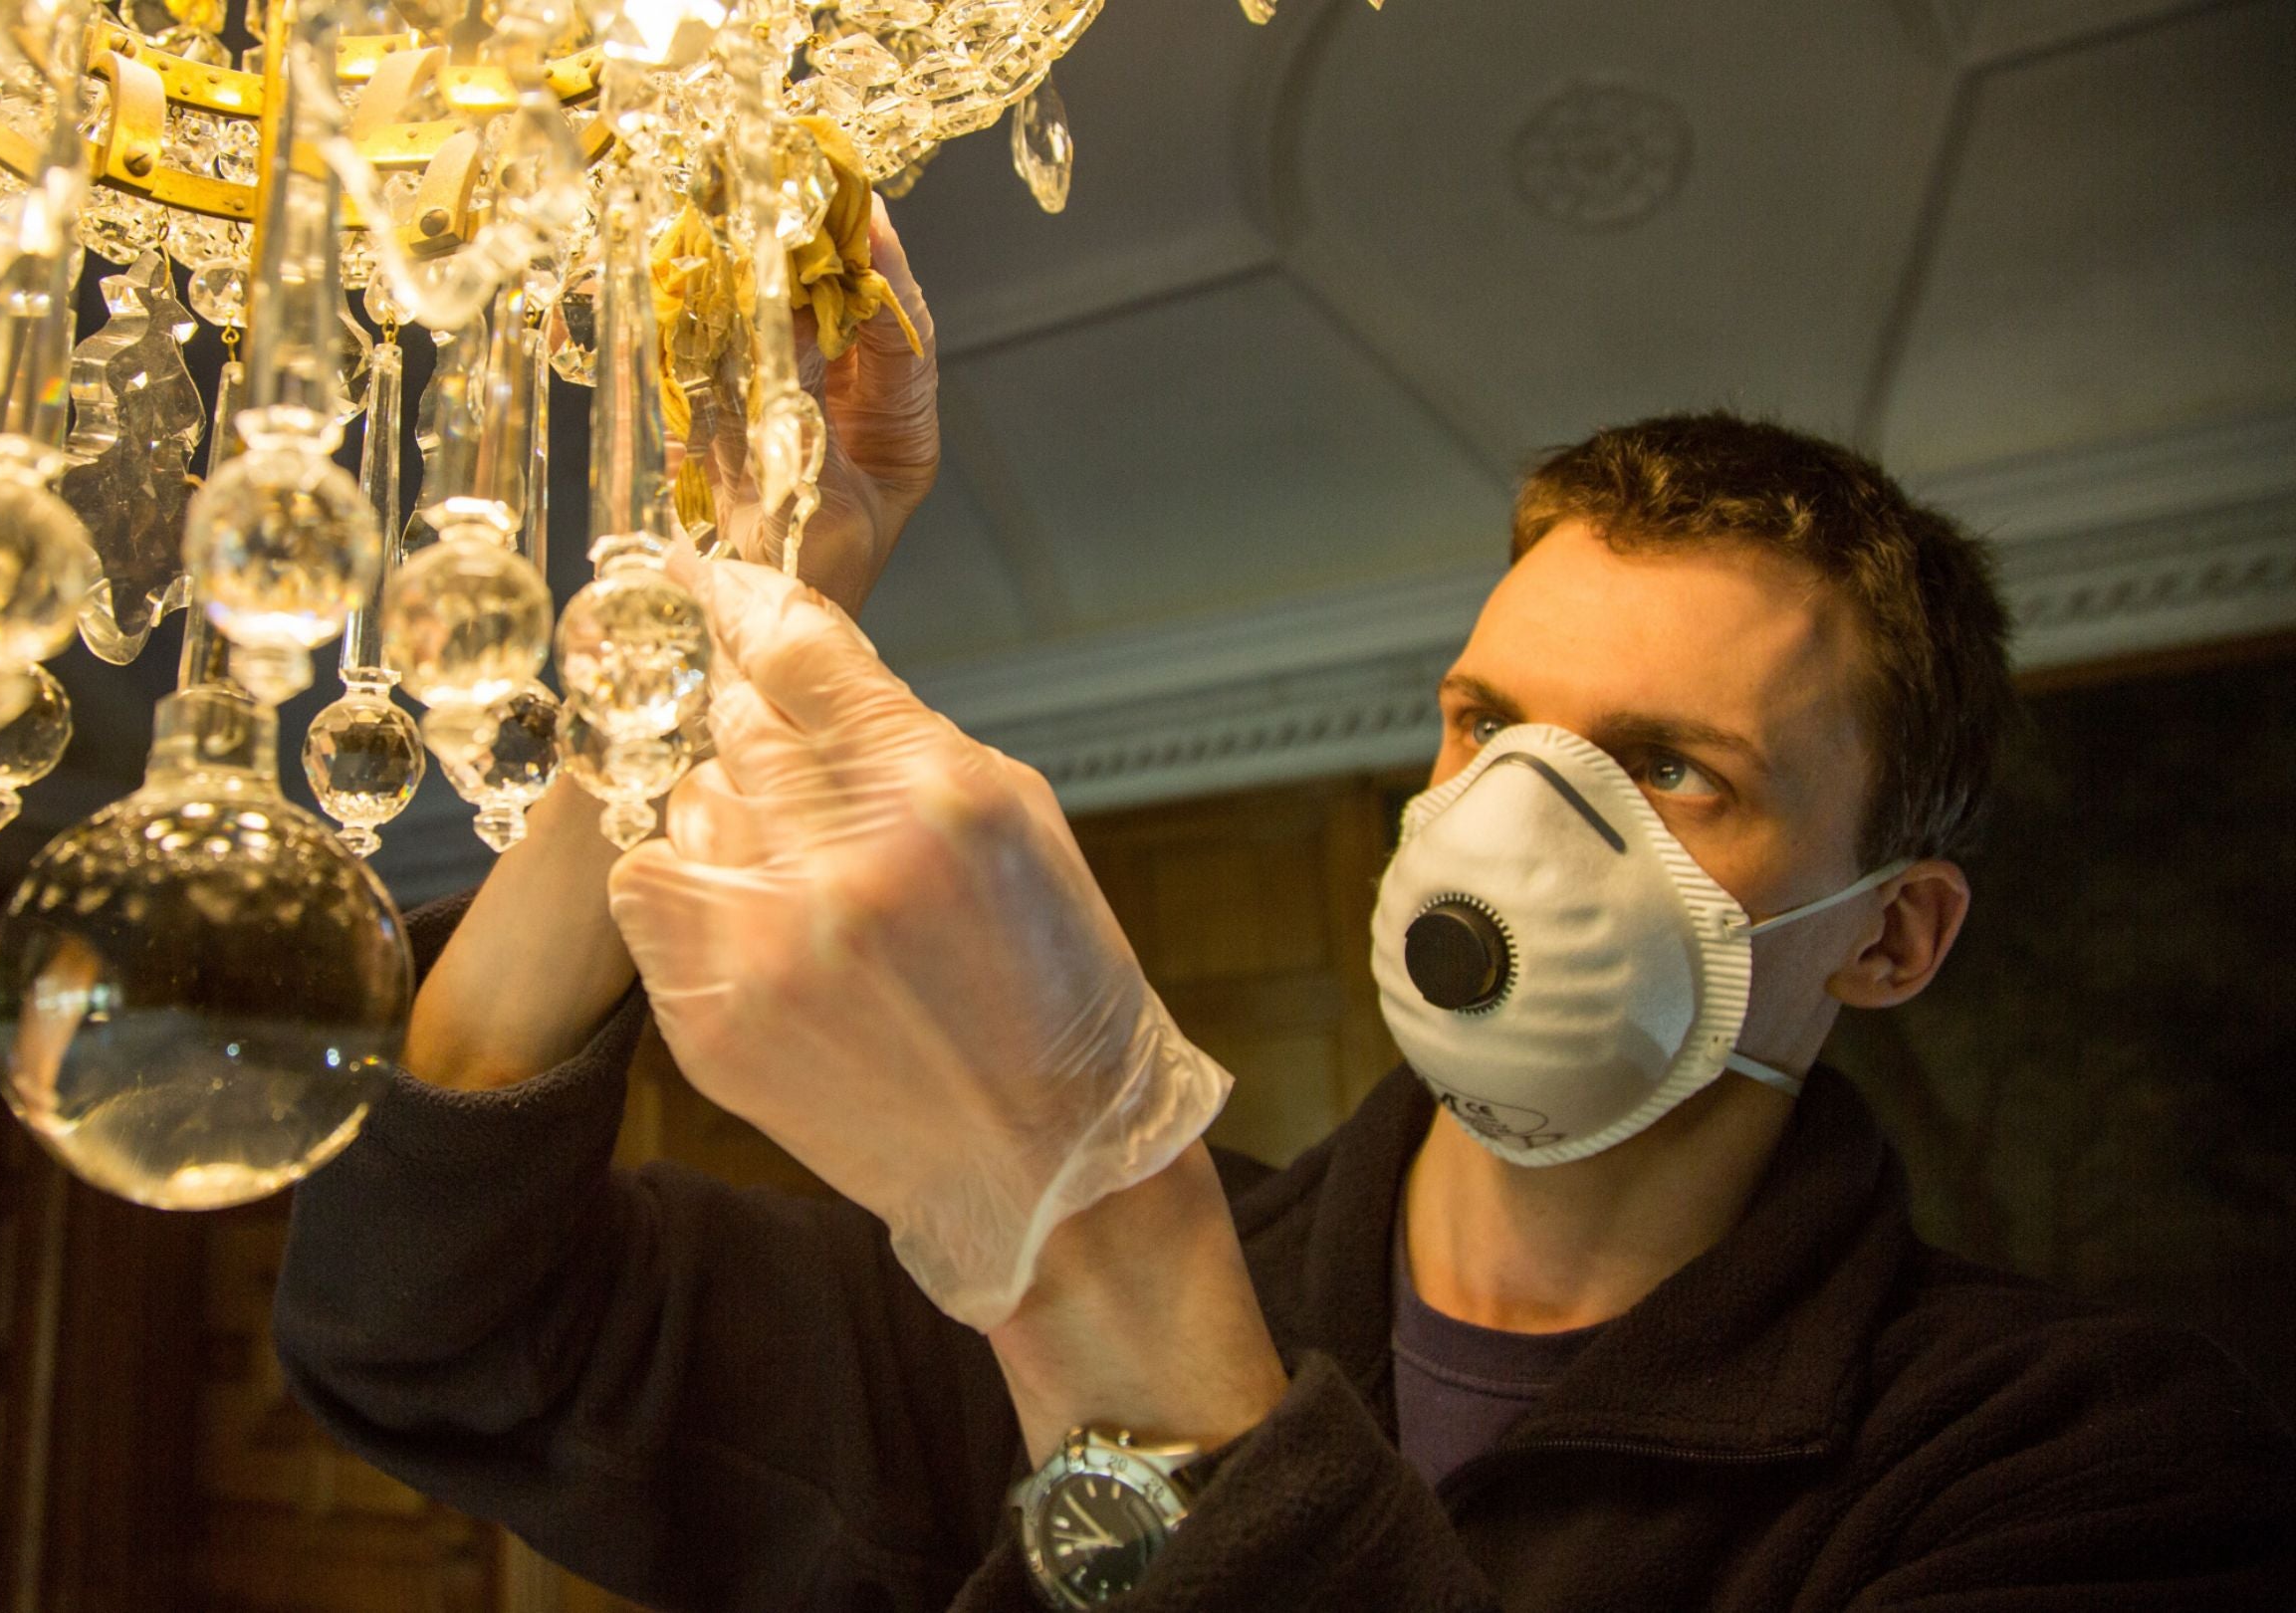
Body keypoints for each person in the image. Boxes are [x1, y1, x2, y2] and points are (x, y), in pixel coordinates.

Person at [273, 205, 2296, 1610]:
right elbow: (426, 1329)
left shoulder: (2072, 1462)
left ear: (1891, 932)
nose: (1520, 821)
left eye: (1670, 767)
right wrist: (689, 657)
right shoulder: (1033, 1310)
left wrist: (1098, 1244)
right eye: (1486, 725)